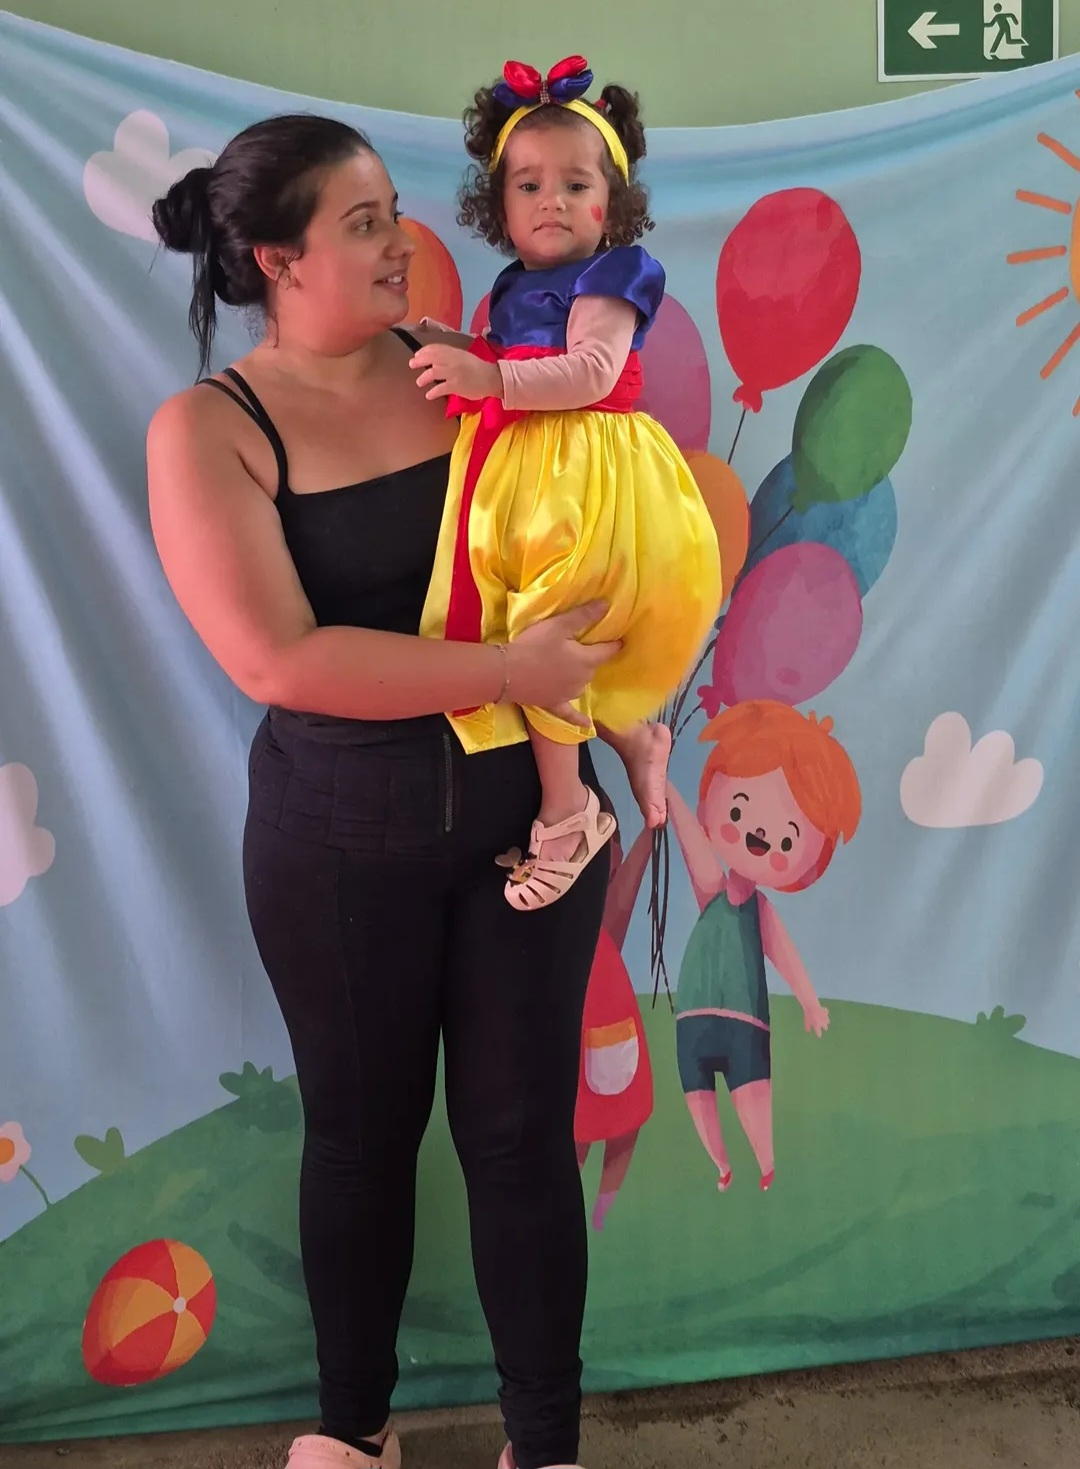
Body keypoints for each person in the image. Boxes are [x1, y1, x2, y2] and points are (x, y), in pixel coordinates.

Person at [147, 113, 622, 1469]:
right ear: (276, 257)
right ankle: (355, 1432)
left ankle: (546, 1444)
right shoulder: (209, 428)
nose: (399, 242)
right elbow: (279, 658)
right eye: (363, 224)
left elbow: (589, 510)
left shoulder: (467, 368)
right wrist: (510, 666)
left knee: (520, 1139)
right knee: (359, 1142)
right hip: (339, 843)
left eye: (395, 212)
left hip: (532, 822)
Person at [410, 56, 723, 913]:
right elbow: (513, 357)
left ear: (610, 207)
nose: (550, 201)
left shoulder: (611, 277)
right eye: (529, 185)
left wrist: (491, 379)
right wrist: (460, 349)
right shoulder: (516, 283)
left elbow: (590, 371)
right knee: (519, 620)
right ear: (500, 206)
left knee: (546, 630)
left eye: (575, 185)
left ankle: (567, 809)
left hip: (586, 473)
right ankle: (634, 738)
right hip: (524, 471)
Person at [665, 701, 861, 1192]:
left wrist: (810, 1002)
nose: (756, 836)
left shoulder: (758, 909)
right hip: (694, 1016)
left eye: (787, 840)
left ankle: (766, 1163)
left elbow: (784, 953)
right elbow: (689, 837)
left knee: (751, 1094)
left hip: (745, 1021)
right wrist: (662, 783)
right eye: (738, 810)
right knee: (697, 1095)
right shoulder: (711, 885)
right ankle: (722, 1164)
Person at [575, 824, 654, 1233]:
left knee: (625, 1128)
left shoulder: (605, 922)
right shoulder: (566, 924)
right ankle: (573, 1212)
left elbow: (628, 885)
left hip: (617, 1037)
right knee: (576, 1133)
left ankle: (601, 1215)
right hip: (576, 1044)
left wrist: (651, 831)